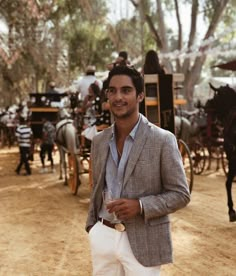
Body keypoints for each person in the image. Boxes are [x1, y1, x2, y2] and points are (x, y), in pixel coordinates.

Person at [86, 65, 191, 275]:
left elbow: (181, 194)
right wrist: (93, 228)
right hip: (103, 236)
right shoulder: (98, 141)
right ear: (106, 96)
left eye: (126, 90)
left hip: (144, 239)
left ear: (140, 95)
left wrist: (141, 206)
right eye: (112, 91)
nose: (118, 97)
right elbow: (97, 187)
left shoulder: (162, 140)